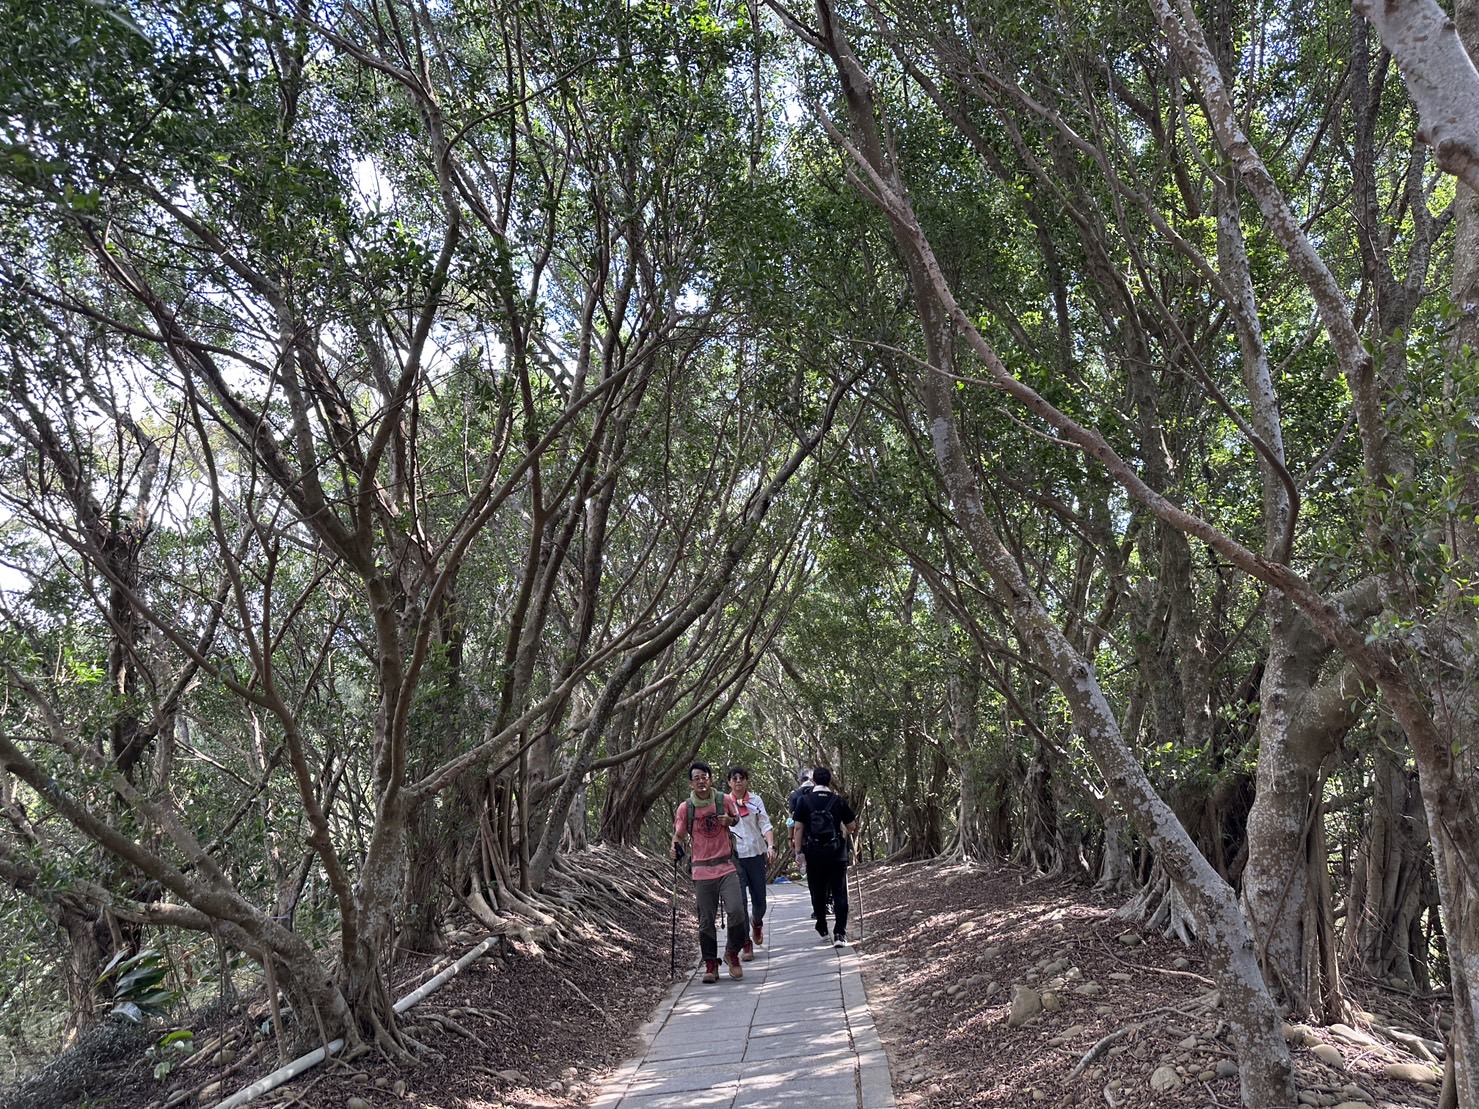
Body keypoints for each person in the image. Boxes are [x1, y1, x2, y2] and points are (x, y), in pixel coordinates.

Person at [670, 761, 748, 982]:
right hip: (702, 870)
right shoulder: (686, 808)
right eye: (696, 778)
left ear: (711, 779)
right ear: (691, 784)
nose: (701, 781)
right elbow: (679, 835)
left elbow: (736, 819)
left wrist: (729, 820)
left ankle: (732, 952)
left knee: (737, 911)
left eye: (704, 777)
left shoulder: (723, 800)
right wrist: (675, 847)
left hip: (726, 866)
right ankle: (711, 963)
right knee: (706, 919)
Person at [790, 766, 858, 947]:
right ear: (829, 781)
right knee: (839, 892)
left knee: (817, 890)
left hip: (813, 854)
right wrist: (842, 834)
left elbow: (798, 828)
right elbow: (852, 826)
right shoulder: (838, 801)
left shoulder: (803, 801)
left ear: (814, 781)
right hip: (837, 854)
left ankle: (821, 923)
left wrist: (798, 852)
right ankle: (840, 934)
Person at [726, 766, 775, 960]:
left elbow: (765, 823)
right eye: (734, 778)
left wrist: (770, 845)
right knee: (740, 902)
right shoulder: (724, 802)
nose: (738, 781)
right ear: (729, 782)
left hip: (756, 854)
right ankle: (746, 943)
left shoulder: (756, 801)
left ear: (747, 781)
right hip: (736, 858)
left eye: (742, 778)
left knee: (759, 901)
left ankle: (758, 922)